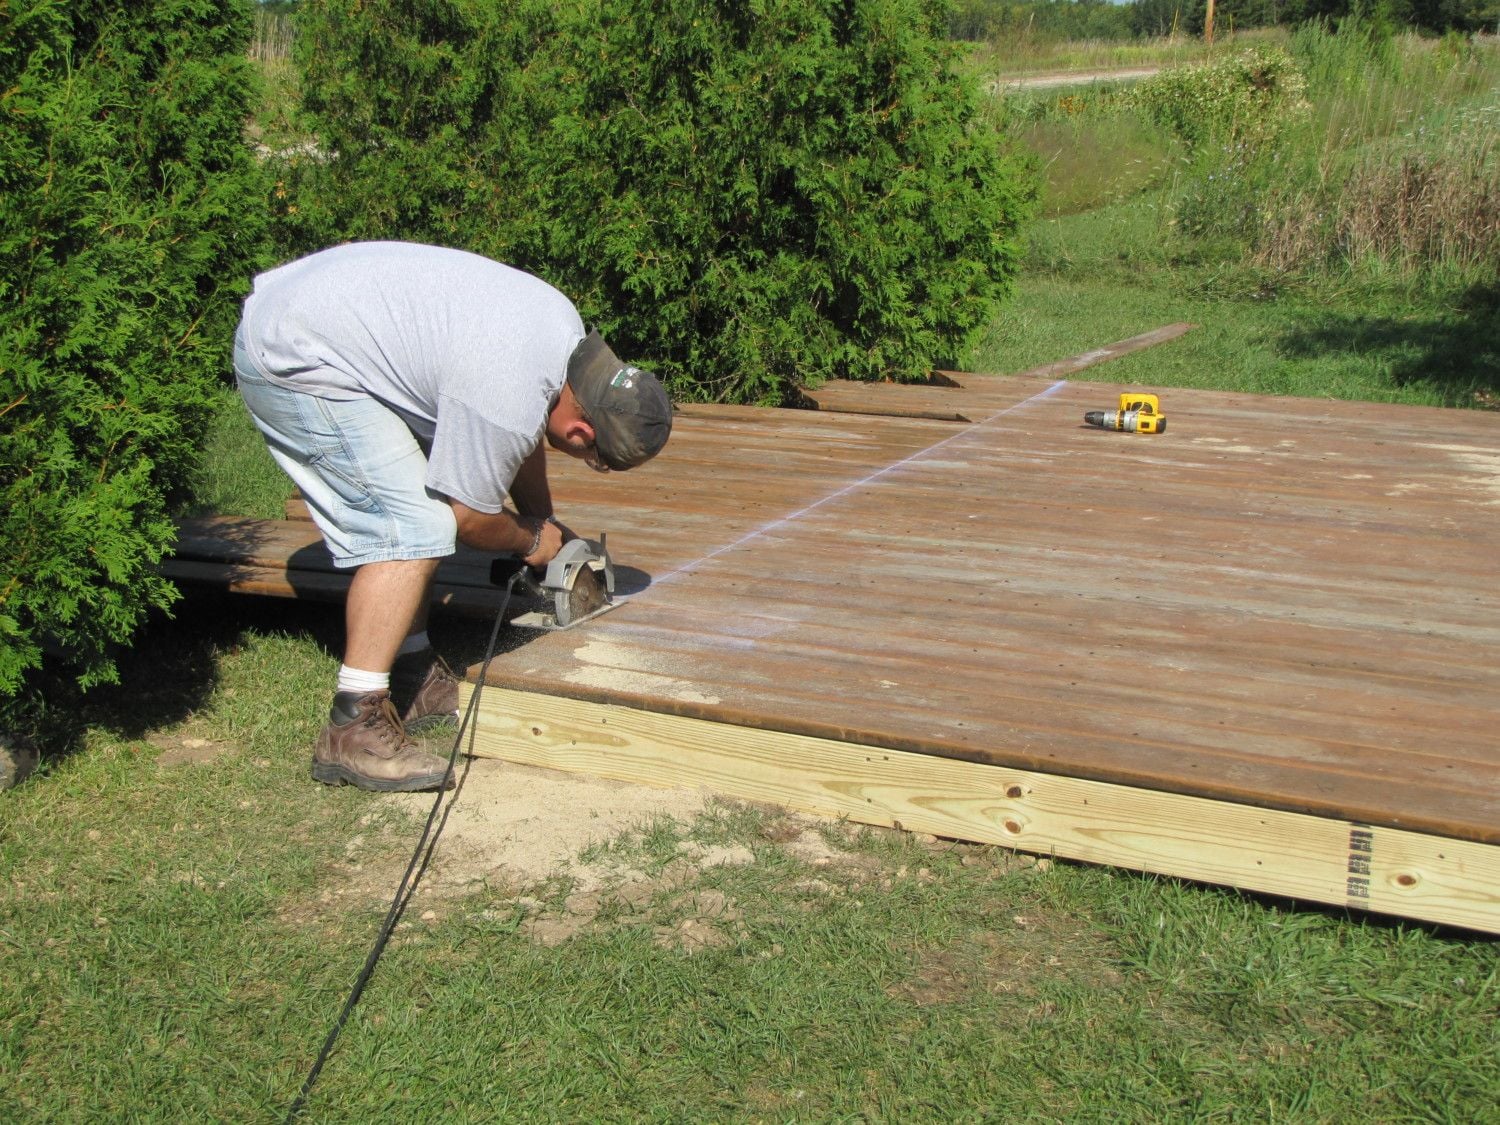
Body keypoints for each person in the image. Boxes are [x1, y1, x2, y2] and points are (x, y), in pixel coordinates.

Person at [233, 241, 673, 792]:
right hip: (294, 352)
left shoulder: (561, 338)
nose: (588, 461)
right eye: (595, 459)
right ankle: (353, 724)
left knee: (420, 508)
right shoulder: (504, 393)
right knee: (414, 526)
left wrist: (545, 525)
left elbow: (519, 437)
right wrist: (530, 539)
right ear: (584, 432)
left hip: (324, 318)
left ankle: (412, 672)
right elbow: (467, 517)